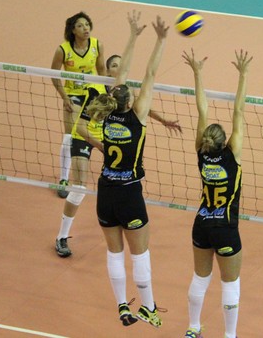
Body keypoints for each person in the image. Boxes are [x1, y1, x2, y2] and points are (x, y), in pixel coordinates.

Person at [54, 11, 182, 258]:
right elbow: (79, 126)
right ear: (109, 70)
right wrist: (97, 143)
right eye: (113, 65)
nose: (116, 69)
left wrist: (163, 119)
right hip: (86, 136)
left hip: (107, 139)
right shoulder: (95, 88)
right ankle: (61, 236)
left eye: (118, 66)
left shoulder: (124, 92)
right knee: (80, 187)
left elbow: (140, 109)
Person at [85, 16, 169, 328]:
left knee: (114, 253)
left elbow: (124, 75)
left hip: (105, 190)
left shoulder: (106, 113)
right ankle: (148, 308)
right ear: (130, 99)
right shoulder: (138, 116)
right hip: (130, 193)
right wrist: (160, 40)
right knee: (140, 254)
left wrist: (132, 35)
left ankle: (122, 306)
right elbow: (148, 73)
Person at [182, 48, 252, 338]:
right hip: (225, 228)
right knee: (230, 283)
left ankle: (193, 328)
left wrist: (197, 72)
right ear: (225, 142)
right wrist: (243, 74)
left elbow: (202, 109)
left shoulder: (201, 152)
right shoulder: (232, 154)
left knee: (200, 278)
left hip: (201, 224)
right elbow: (238, 110)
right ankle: (230, 336)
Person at [51, 11, 106, 198]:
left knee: (101, 131)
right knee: (70, 135)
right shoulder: (63, 50)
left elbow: (102, 70)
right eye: (81, 26)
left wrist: (106, 93)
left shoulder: (97, 45)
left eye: (87, 25)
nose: (86, 28)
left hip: (93, 96)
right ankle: (64, 179)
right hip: (73, 95)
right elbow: (54, 74)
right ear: (73, 30)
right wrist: (64, 97)